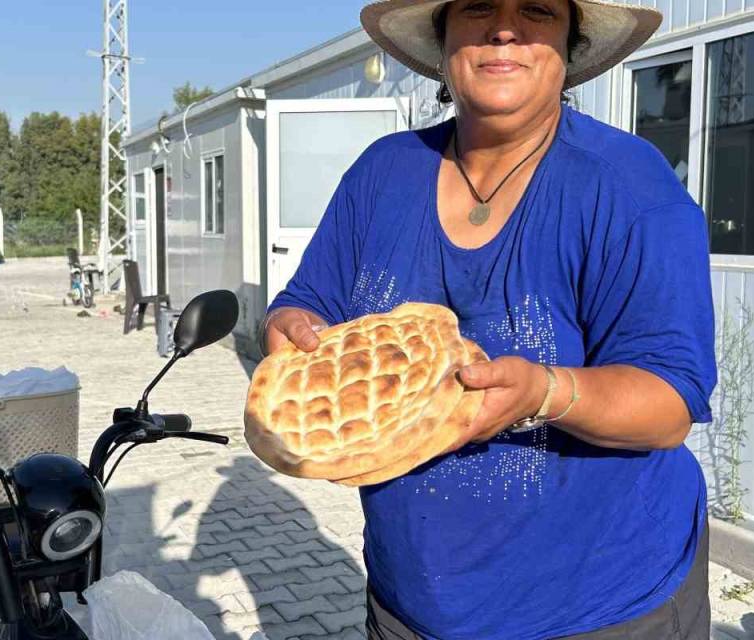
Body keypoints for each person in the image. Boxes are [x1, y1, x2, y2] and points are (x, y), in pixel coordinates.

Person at [260, 1, 718, 638]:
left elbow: (669, 403)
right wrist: (293, 327)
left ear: (569, 44)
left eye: (536, 9)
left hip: (596, 607)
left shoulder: (628, 187)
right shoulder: (382, 172)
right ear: (443, 39)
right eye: (478, 6)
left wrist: (544, 392)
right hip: (409, 602)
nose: (504, 29)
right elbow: (309, 302)